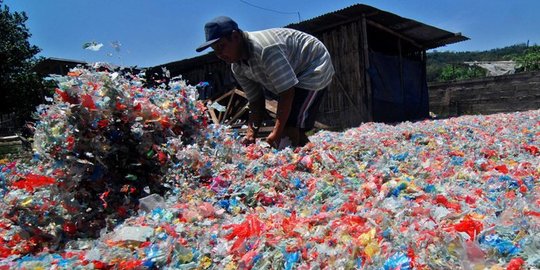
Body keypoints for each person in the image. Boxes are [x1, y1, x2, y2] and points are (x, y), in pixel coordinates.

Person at [196, 16, 334, 148]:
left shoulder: (266, 50)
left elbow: (287, 92)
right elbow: (256, 101)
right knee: (290, 127)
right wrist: (251, 134)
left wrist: (277, 132)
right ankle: (307, 153)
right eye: (215, 50)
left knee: (289, 127)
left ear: (236, 37)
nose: (219, 55)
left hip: (313, 64)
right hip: (292, 73)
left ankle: (298, 159)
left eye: (221, 46)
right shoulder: (237, 67)